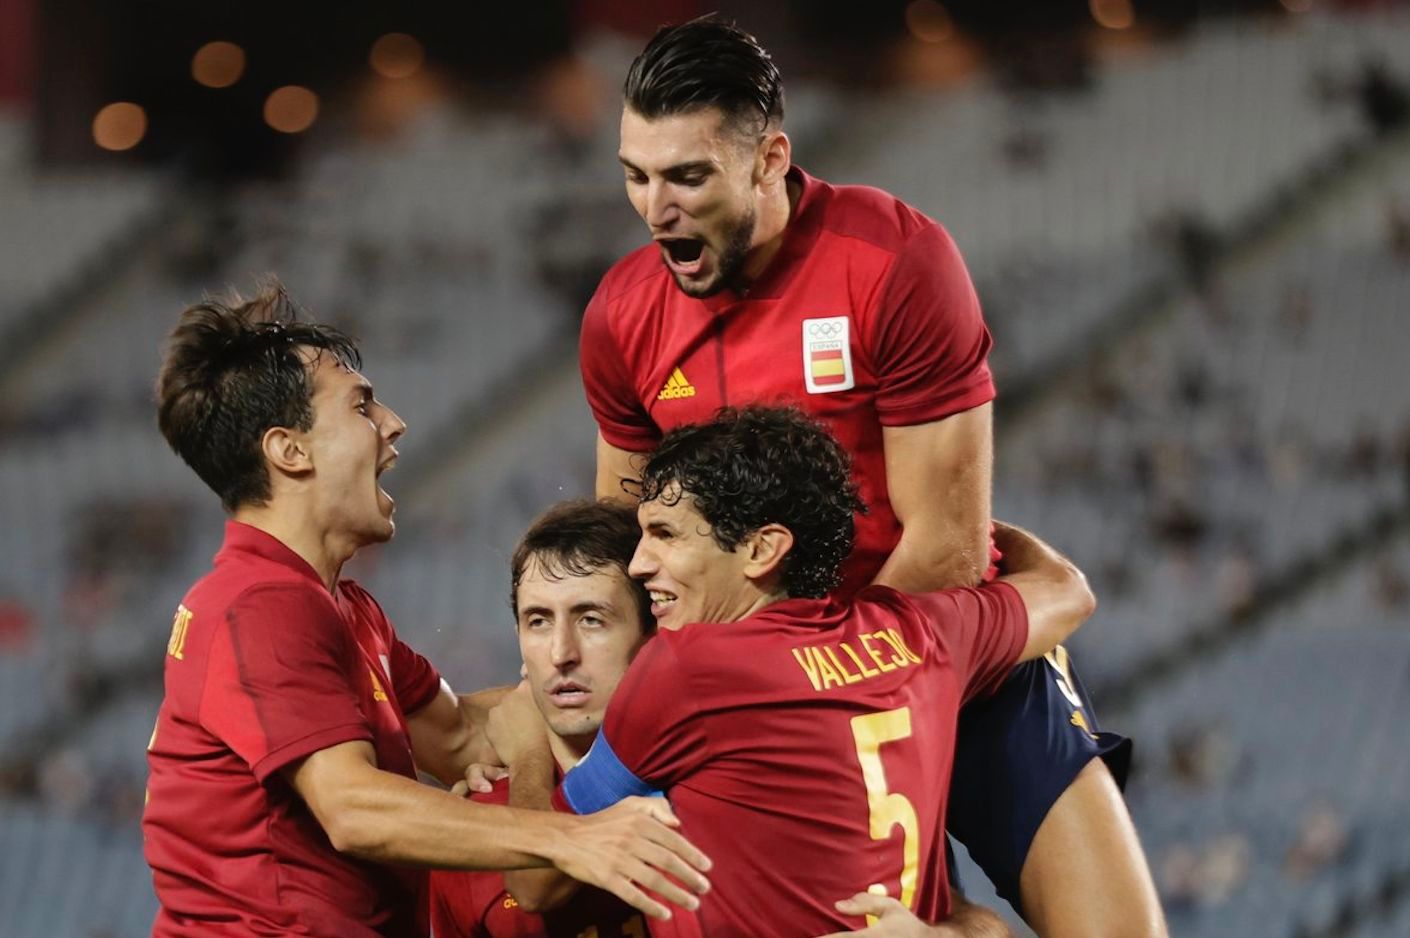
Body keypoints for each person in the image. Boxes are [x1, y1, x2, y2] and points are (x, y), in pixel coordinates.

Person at [578, 17, 1164, 937]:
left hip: (952, 658)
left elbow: (946, 542)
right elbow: (625, 539)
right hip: (755, 711)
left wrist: (847, 689)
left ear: (770, 158)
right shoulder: (621, 317)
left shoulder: (894, 264)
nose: (657, 209)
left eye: (688, 177)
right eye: (635, 176)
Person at [142, 282, 710, 937]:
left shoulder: (340, 608)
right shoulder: (260, 606)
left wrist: (668, 685)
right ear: (288, 450)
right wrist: (567, 839)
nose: (392, 422)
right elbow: (354, 808)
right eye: (360, 406)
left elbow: (468, 732)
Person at [519, 405, 1093, 937]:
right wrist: (971, 519)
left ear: (762, 550)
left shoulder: (686, 671)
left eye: (665, 535)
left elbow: (536, 879)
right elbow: (1067, 590)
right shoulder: (924, 632)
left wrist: (522, 742)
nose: (640, 564)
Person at [429, 500, 656, 938]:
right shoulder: (472, 828)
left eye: (591, 620)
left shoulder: (706, 785)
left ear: (652, 637)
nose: (560, 654)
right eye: (538, 621)